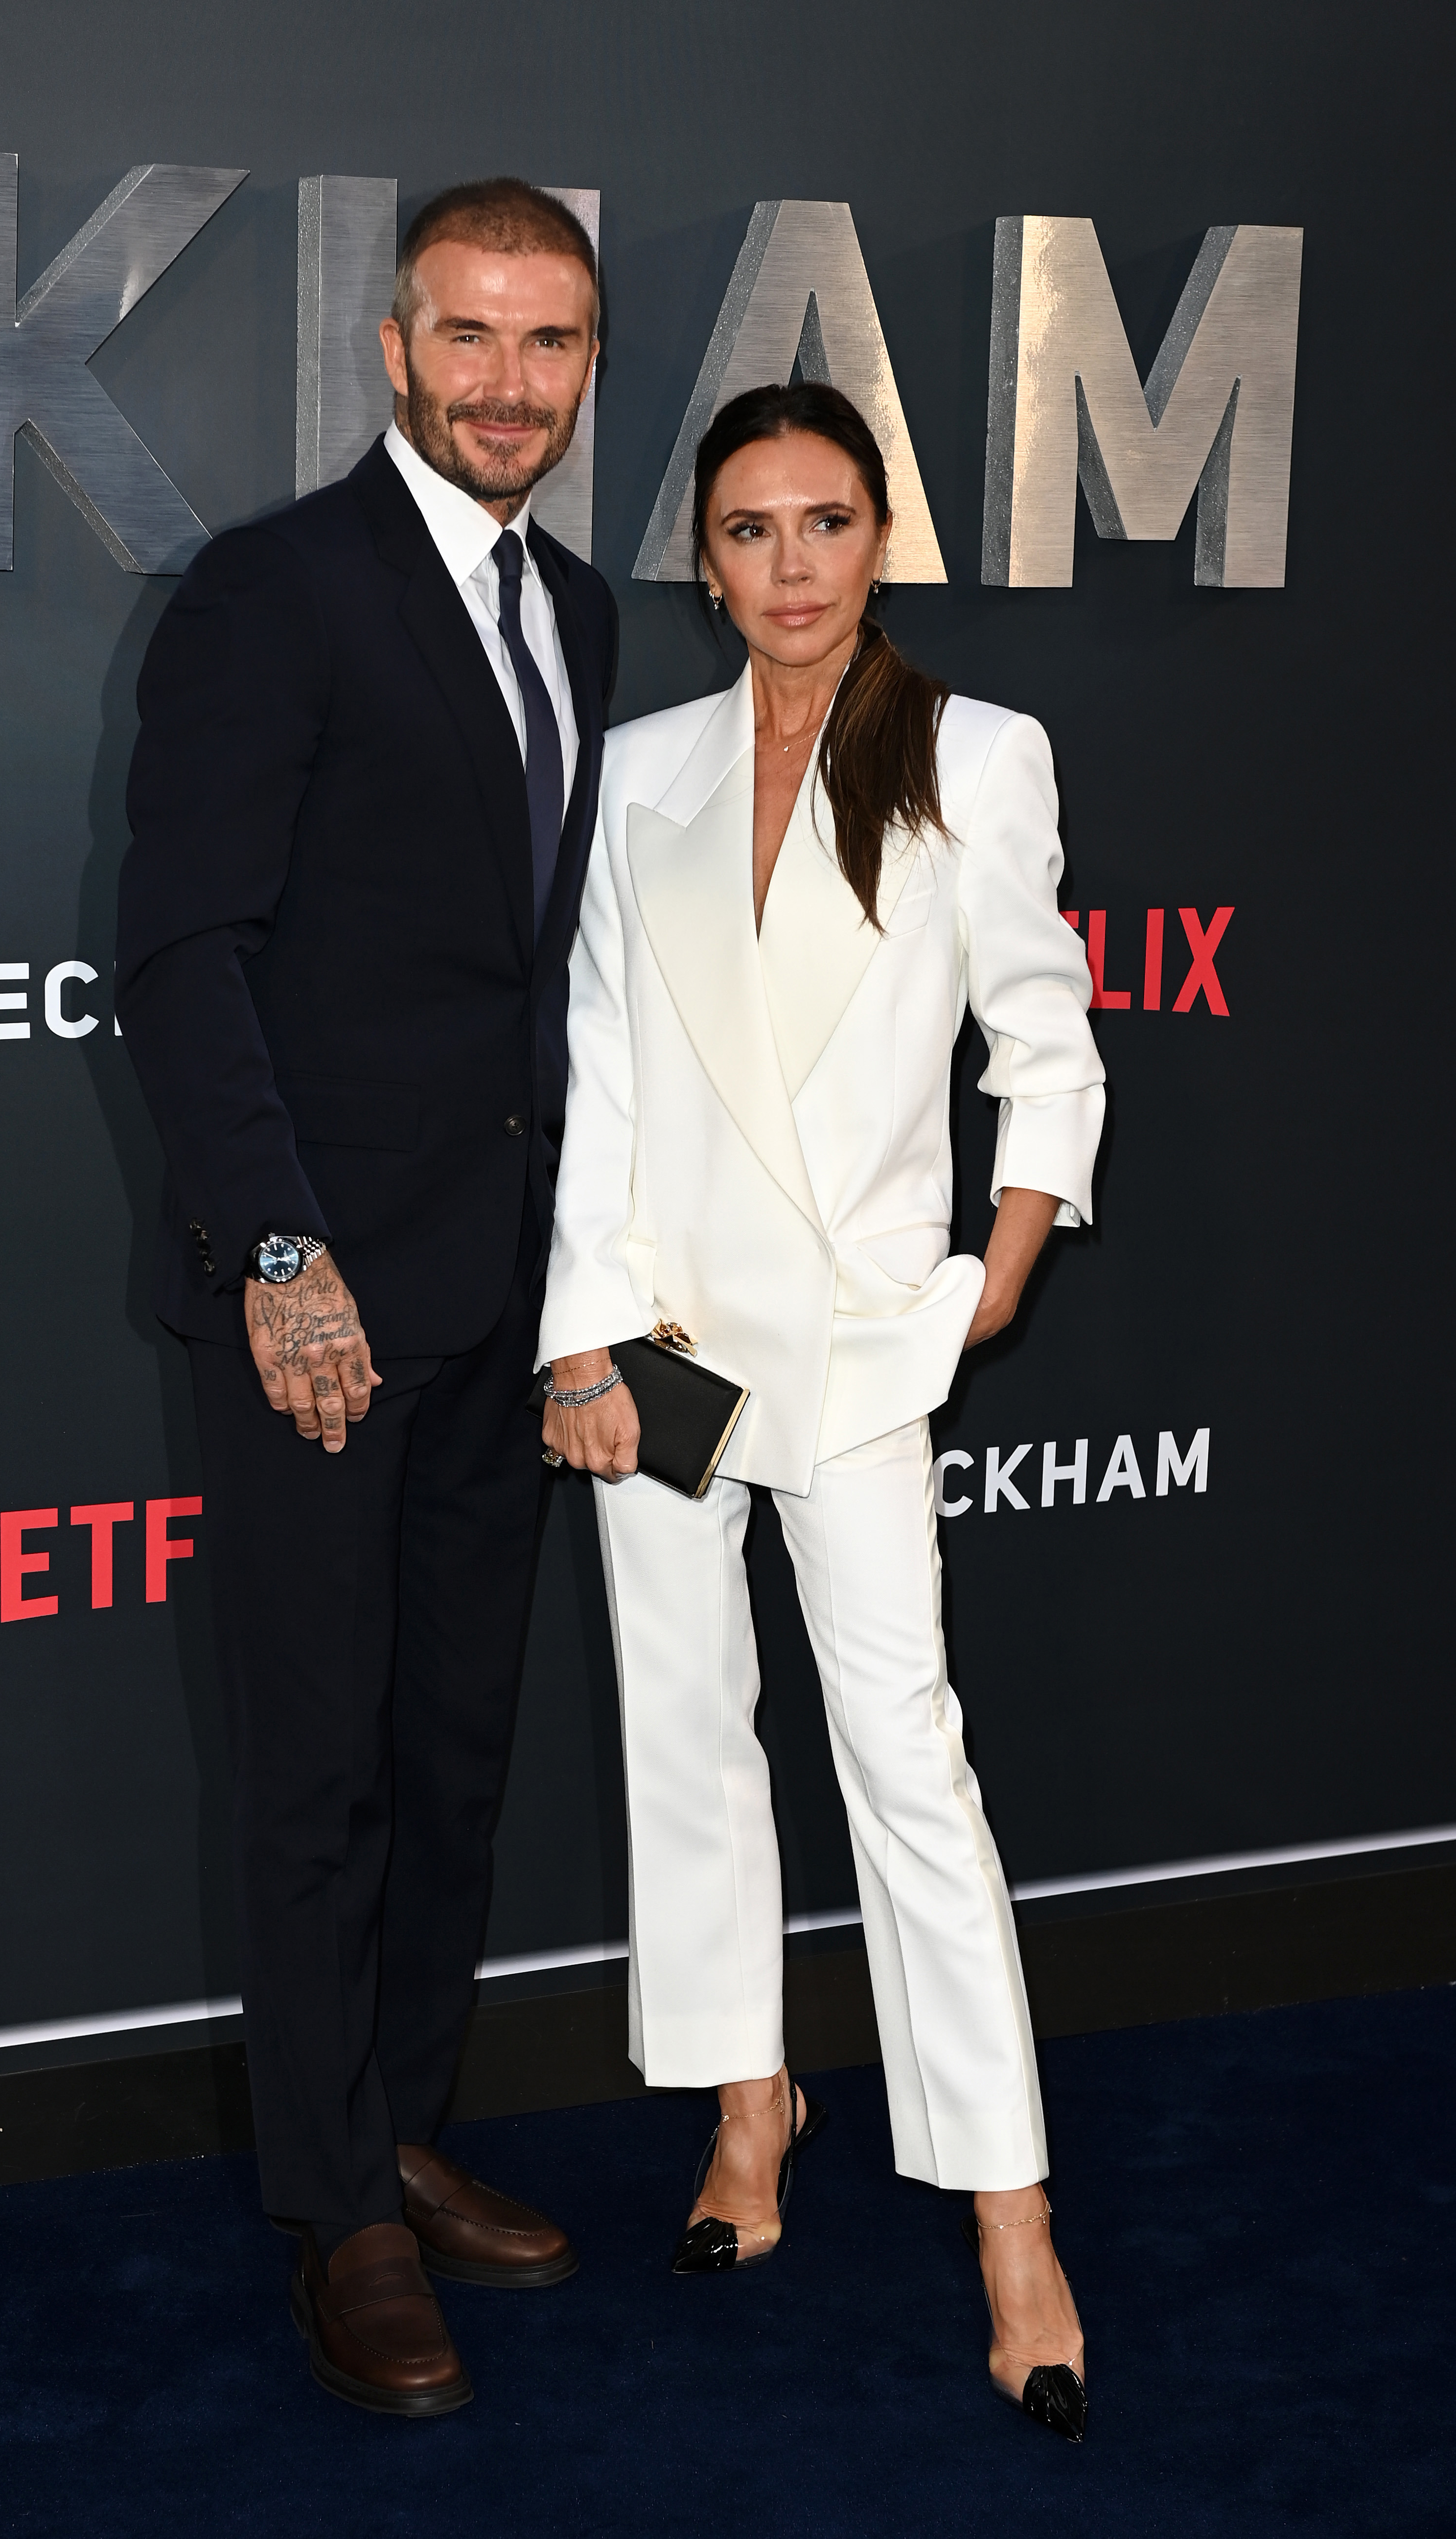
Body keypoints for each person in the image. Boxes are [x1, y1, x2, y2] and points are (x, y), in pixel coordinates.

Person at [538, 380, 1104, 2442]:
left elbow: (1046, 1051)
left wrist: (983, 1291)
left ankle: (1009, 2214)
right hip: (665, 1352)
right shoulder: (641, 770)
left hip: (859, 1348)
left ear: (882, 541)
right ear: (709, 561)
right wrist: (579, 1339)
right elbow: (604, 1071)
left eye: (828, 522)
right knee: (685, 1740)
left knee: (906, 1767)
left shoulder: (974, 755)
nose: (792, 564)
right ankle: (746, 2102)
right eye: (754, 529)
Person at [116, 178, 617, 2418]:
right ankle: (334, 2216)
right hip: (319, 1302)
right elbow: (186, 948)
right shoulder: (272, 591)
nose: (511, 383)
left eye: (552, 344)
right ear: (392, 350)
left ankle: (401, 2126)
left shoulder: (588, 614)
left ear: (586, 364)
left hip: (511, 1299)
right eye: (473, 339)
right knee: (318, 1769)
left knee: (455, 1750)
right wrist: (279, 1252)